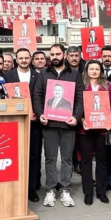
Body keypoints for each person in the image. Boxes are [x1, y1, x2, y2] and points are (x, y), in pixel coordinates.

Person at [33, 44, 82, 208]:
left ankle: (65, 189)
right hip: (49, 124)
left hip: (68, 124)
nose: (55, 56)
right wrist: (40, 114)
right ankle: (51, 189)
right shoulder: (43, 74)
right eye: (52, 54)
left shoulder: (74, 74)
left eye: (58, 54)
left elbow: (79, 98)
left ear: (65, 55)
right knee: (50, 158)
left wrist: (76, 117)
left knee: (67, 158)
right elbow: (37, 95)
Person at [3, 48, 44, 202]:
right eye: (21, 58)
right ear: (16, 59)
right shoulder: (8, 76)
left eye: (27, 58)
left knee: (34, 156)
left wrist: (37, 115)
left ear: (31, 59)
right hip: (15, 122)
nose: (24, 60)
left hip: (34, 123)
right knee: (14, 155)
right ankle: (15, 186)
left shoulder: (38, 76)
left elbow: (40, 96)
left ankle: (31, 188)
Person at [78, 60, 111, 205]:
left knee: (102, 160)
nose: (94, 71)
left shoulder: (108, 86)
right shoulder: (81, 85)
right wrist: (82, 120)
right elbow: (78, 105)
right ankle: (88, 192)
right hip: (85, 129)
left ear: (101, 71)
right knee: (86, 161)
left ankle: (101, 191)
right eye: (91, 69)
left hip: (102, 130)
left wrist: (110, 121)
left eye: (97, 69)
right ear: (87, 70)